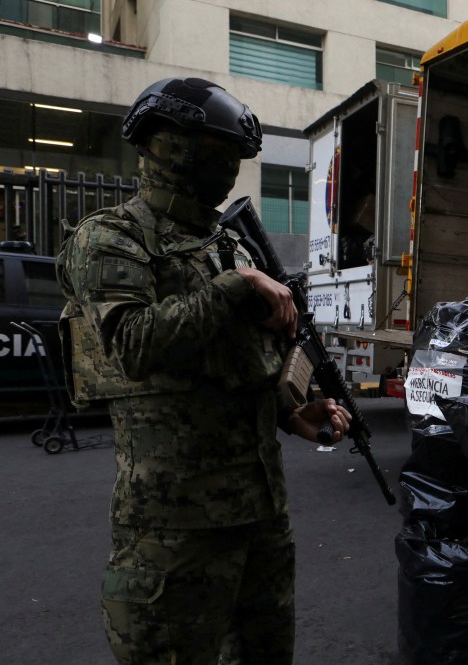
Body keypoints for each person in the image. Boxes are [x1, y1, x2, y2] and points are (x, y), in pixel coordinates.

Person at [55, 77, 351, 665]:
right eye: (218, 155)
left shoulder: (228, 245)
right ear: (173, 148)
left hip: (262, 513)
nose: (227, 171)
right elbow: (136, 345)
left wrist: (292, 413)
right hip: (176, 526)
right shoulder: (112, 237)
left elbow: (244, 364)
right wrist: (236, 286)